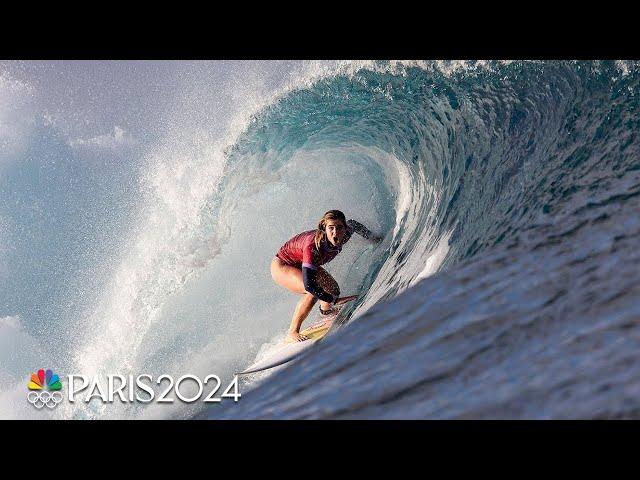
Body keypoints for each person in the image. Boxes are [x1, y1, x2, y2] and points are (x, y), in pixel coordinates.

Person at [271, 210, 382, 342]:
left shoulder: (346, 233)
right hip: (283, 265)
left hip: (302, 262)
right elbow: (309, 285)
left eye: (339, 227)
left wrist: (374, 238)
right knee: (313, 291)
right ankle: (293, 331)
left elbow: (354, 224)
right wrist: (334, 300)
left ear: (345, 228)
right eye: (331, 228)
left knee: (333, 290)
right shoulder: (313, 247)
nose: (336, 233)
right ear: (324, 228)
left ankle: (326, 312)